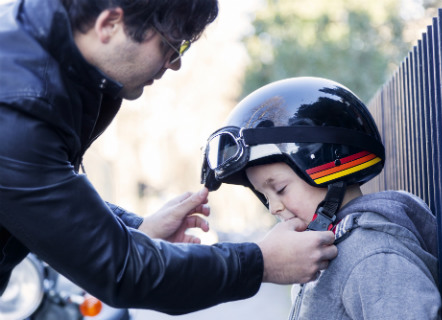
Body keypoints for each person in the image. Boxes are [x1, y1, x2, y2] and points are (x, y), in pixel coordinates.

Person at [0, 0, 338, 315]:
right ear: (110, 24)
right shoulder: (18, 110)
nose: (175, 63)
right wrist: (262, 263)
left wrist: (135, 228)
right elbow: (121, 270)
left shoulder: (43, 60)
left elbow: (49, 193)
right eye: (170, 45)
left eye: (184, 48)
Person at [201, 77, 442, 319]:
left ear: (330, 162)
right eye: (264, 195)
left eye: (281, 188)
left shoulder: (374, 258)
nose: (274, 207)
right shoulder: (320, 249)